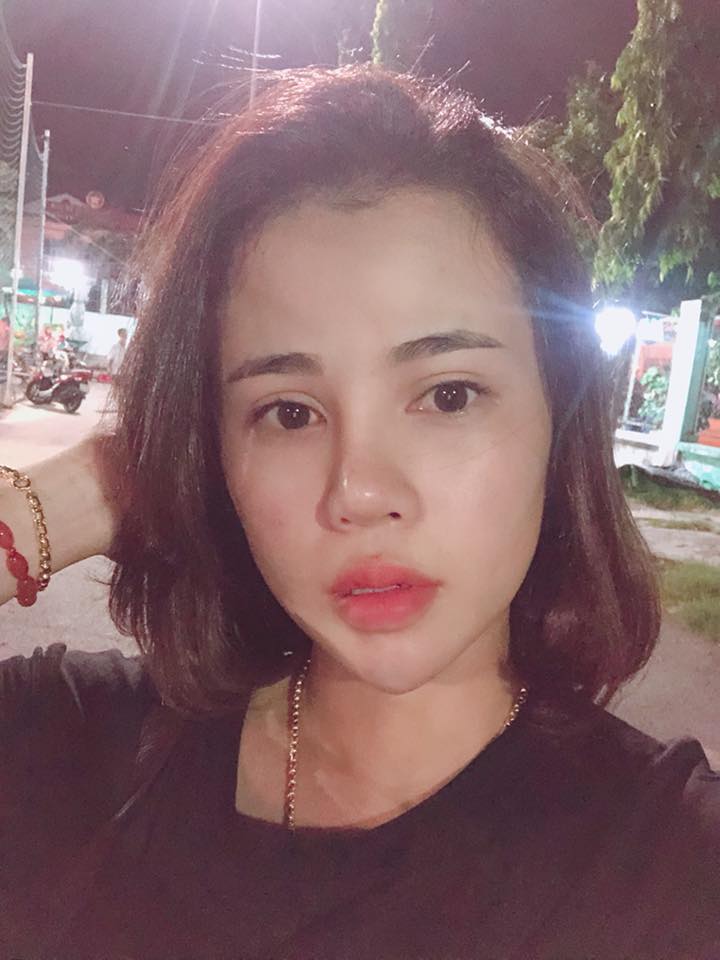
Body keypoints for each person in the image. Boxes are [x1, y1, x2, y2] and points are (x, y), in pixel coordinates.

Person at [0, 66, 718, 959]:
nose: (360, 493)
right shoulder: (72, 752)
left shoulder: (673, 871)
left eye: (449, 395)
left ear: (560, 415)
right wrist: (76, 495)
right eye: (288, 413)